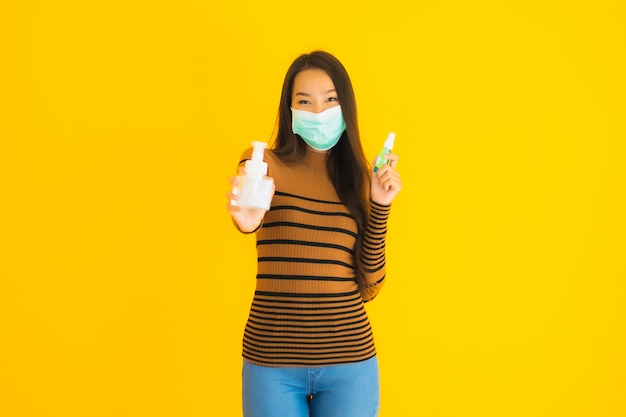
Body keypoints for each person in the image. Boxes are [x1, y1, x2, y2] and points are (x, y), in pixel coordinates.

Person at [226, 50, 402, 417]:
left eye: (330, 99)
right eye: (305, 101)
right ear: (290, 112)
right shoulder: (264, 165)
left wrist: (379, 204)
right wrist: (247, 219)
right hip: (272, 361)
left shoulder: (359, 181)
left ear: (345, 107)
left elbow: (370, 284)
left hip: (350, 362)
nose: (319, 112)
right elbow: (248, 208)